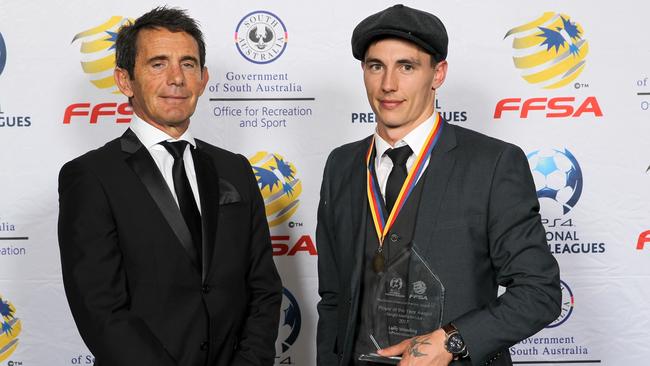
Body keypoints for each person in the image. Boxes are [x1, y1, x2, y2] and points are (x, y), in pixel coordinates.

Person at [316, 4, 561, 366]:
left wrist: (453, 340)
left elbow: (539, 293)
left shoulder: (493, 163)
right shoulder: (342, 164)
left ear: (438, 73)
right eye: (375, 66)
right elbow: (334, 298)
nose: (388, 84)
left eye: (407, 66)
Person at [58, 7, 282, 366]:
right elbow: (100, 311)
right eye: (158, 64)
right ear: (124, 80)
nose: (176, 78)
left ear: (203, 79)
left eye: (188, 64)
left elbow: (264, 288)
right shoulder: (90, 176)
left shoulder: (235, 169)